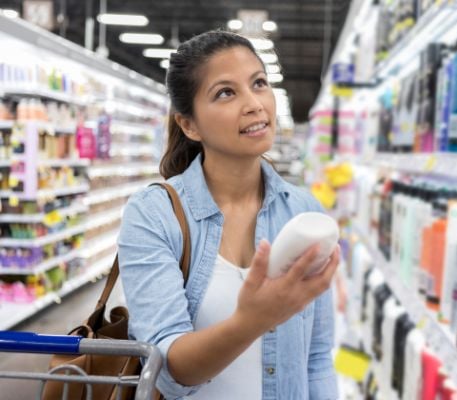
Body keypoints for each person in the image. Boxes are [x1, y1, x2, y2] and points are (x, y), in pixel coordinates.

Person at [117, 30, 340, 400]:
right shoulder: (154, 215)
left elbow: (316, 359)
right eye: (226, 92)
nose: (254, 103)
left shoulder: (303, 212)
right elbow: (167, 372)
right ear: (189, 125)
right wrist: (253, 320)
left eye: (258, 83)